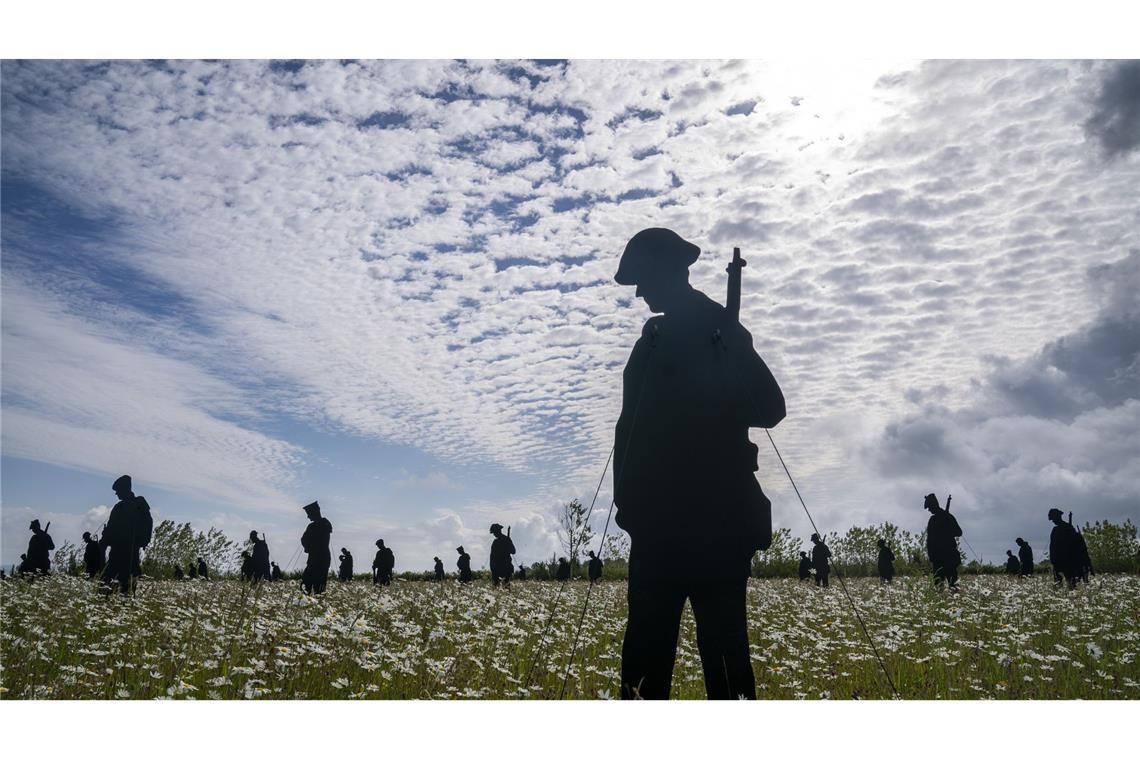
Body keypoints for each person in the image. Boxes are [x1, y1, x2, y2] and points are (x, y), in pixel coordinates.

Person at [612, 229, 785, 700]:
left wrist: (721, 381)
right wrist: (628, 506)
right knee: (644, 668)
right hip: (659, 528)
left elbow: (769, 408)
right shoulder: (652, 339)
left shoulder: (719, 328)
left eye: (643, 280)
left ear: (670, 273)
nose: (640, 291)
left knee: (725, 665)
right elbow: (628, 428)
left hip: (714, 527)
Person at [100, 475, 153, 595]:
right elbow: (110, 527)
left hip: (130, 550)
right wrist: (104, 540)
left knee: (127, 583)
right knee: (107, 581)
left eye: (118, 491)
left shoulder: (139, 503)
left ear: (125, 489)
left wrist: (144, 540)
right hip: (116, 550)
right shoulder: (118, 507)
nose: (117, 494)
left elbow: (148, 522)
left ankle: (126, 604)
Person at [924, 493, 962, 589]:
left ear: (934, 505)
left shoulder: (947, 517)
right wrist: (931, 556)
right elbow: (930, 541)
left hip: (948, 556)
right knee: (939, 586)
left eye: (929, 507)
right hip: (939, 558)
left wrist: (948, 530)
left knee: (952, 586)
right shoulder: (934, 519)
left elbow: (959, 532)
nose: (929, 510)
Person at [300, 501, 332, 594]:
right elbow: (304, 539)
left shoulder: (315, 526)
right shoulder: (325, 524)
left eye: (309, 514)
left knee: (311, 585)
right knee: (314, 585)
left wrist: (308, 547)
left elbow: (304, 539)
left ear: (314, 512)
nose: (308, 517)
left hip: (317, 559)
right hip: (320, 558)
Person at [1048, 508, 1080, 589]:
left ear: (1058, 517)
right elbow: (1052, 546)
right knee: (1059, 582)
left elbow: (1075, 544)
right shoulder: (1057, 529)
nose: (1053, 521)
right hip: (1058, 560)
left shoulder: (1068, 528)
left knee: (1070, 581)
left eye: (1053, 519)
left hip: (1067, 560)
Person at [1070, 512, 1094, 583]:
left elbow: (1083, 549)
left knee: (1083, 578)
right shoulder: (1076, 537)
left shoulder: (1077, 537)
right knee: (1079, 578)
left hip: (1080, 560)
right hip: (1077, 560)